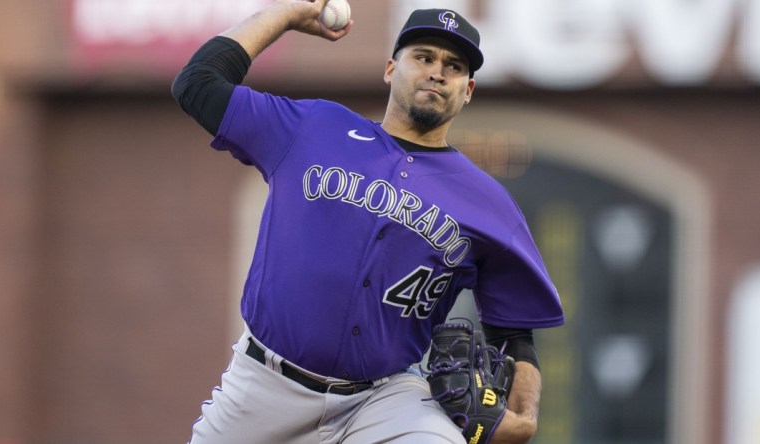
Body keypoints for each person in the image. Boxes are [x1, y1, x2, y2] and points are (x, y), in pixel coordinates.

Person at [172, 1, 564, 443]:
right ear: (390, 69)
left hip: (385, 400)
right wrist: (282, 16)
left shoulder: (489, 204)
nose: (437, 71)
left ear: (468, 90)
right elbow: (197, 84)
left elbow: (513, 328)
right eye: (423, 57)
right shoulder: (312, 128)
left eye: (453, 66)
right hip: (264, 387)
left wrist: (524, 416)